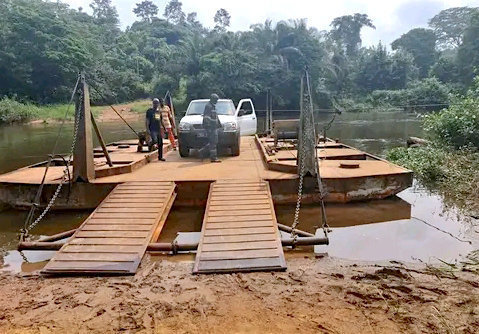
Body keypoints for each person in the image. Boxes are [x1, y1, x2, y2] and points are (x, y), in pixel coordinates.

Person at [200, 93, 222, 163]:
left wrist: (219, 124)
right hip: (210, 127)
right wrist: (211, 123)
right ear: (213, 99)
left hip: (214, 127)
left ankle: (202, 151)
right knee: (213, 142)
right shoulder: (208, 106)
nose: (217, 101)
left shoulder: (213, 106)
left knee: (214, 141)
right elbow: (206, 117)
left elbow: (215, 116)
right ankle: (213, 158)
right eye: (216, 100)